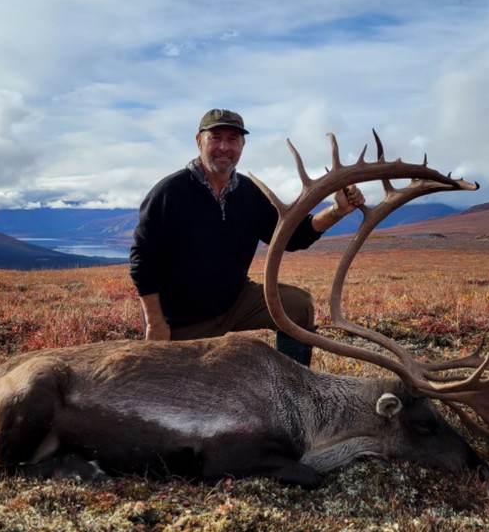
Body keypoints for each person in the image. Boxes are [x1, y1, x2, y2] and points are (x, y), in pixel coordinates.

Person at [129, 108, 365, 366]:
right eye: (215, 138)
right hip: (183, 320)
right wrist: (156, 324)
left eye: (232, 139)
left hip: (235, 301)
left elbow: (293, 236)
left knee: (298, 305)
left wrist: (336, 211)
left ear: (242, 145)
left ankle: (294, 383)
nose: (224, 147)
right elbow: (143, 261)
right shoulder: (169, 192)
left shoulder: (250, 193)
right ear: (199, 141)